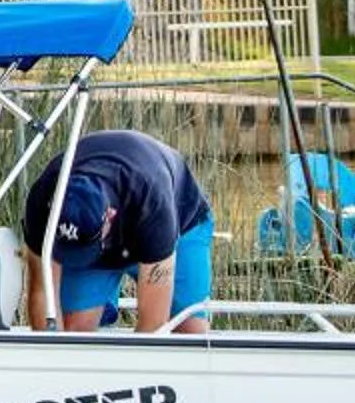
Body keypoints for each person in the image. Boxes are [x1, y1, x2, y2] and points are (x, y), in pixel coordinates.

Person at [21, 128, 214, 334]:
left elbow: (154, 324)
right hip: (101, 231)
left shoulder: (152, 199)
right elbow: (43, 293)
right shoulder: (42, 203)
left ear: (110, 216)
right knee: (75, 330)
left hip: (181, 223)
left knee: (189, 331)